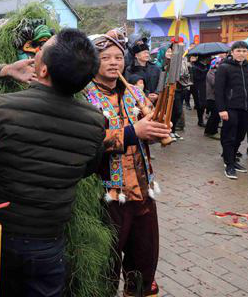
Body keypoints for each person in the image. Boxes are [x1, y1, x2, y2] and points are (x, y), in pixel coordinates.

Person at [0, 28, 104, 297]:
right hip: (49, 242)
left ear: (44, 70)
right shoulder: (96, 122)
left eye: (42, 49)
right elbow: (87, 168)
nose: (37, 52)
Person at [84, 28, 170, 297]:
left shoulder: (134, 92)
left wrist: (159, 131)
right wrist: (134, 133)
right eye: (106, 57)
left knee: (144, 262)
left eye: (118, 57)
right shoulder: (84, 97)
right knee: (105, 265)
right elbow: (87, 144)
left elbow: (150, 132)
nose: (113, 62)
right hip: (106, 196)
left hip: (143, 192)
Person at [215, 41, 248, 179]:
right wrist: (222, 109)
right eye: (238, 50)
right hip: (230, 108)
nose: (241, 53)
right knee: (229, 136)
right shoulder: (224, 67)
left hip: (247, 108)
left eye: (244, 51)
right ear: (232, 52)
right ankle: (229, 164)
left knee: (240, 136)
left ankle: (232, 159)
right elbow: (219, 90)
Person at [125, 38, 161, 102]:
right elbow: (130, 86)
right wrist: (146, 95)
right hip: (138, 101)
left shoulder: (155, 68)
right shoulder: (130, 69)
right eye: (144, 53)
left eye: (147, 53)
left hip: (156, 101)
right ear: (136, 55)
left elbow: (160, 82)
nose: (147, 55)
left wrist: (157, 93)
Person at [204, 57, 221, 139]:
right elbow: (214, 83)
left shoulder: (218, 72)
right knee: (214, 115)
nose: (219, 65)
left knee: (217, 115)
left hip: (218, 97)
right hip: (212, 97)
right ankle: (209, 131)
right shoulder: (211, 72)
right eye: (217, 63)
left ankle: (214, 130)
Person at [190, 56, 209, 126]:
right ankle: (200, 121)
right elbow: (197, 78)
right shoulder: (195, 66)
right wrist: (205, 72)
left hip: (205, 87)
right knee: (200, 105)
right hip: (197, 88)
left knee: (204, 104)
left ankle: (201, 120)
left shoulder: (206, 66)